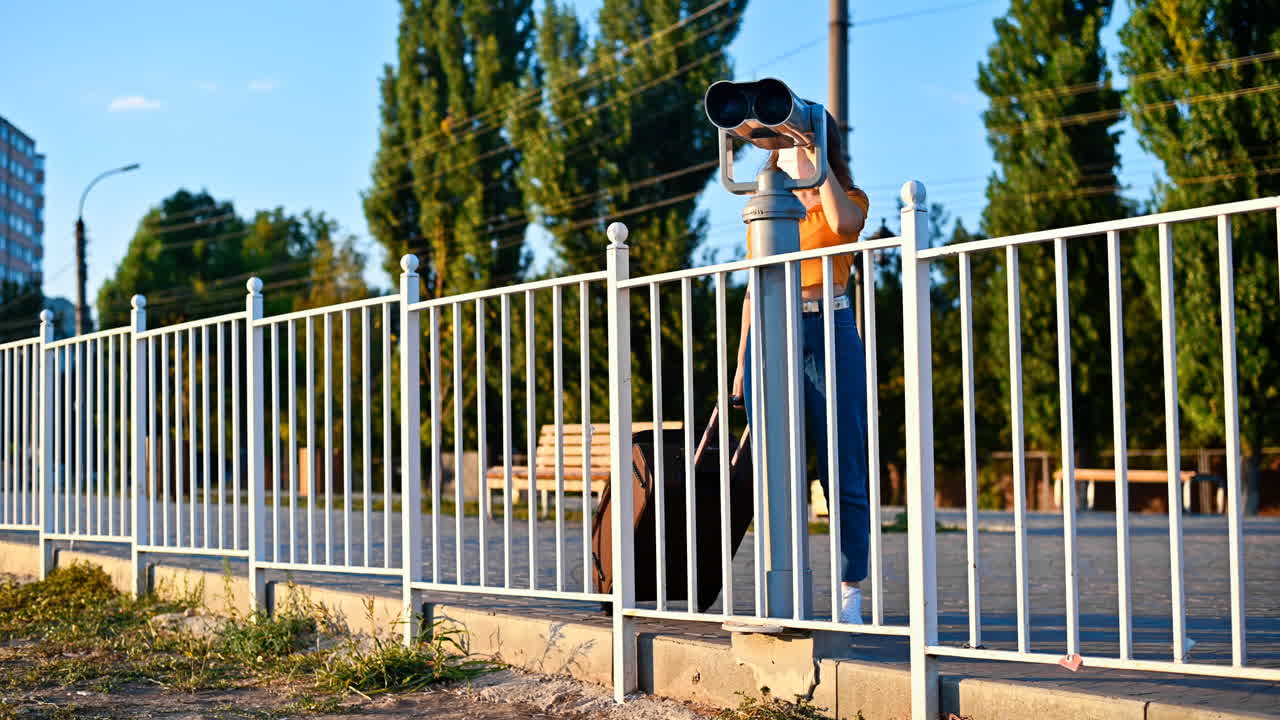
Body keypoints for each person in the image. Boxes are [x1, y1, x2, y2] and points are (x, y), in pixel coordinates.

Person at [730, 109, 871, 624]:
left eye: (797, 139)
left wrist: (816, 157)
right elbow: (753, 286)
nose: (786, 146)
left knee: (843, 465)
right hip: (775, 330)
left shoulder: (847, 196)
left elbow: (844, 225)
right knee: (777, 467)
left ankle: (849, 593)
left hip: (829, 328)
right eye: (782, 141)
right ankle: (781, 588)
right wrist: (743, 363)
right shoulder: (768, 206)